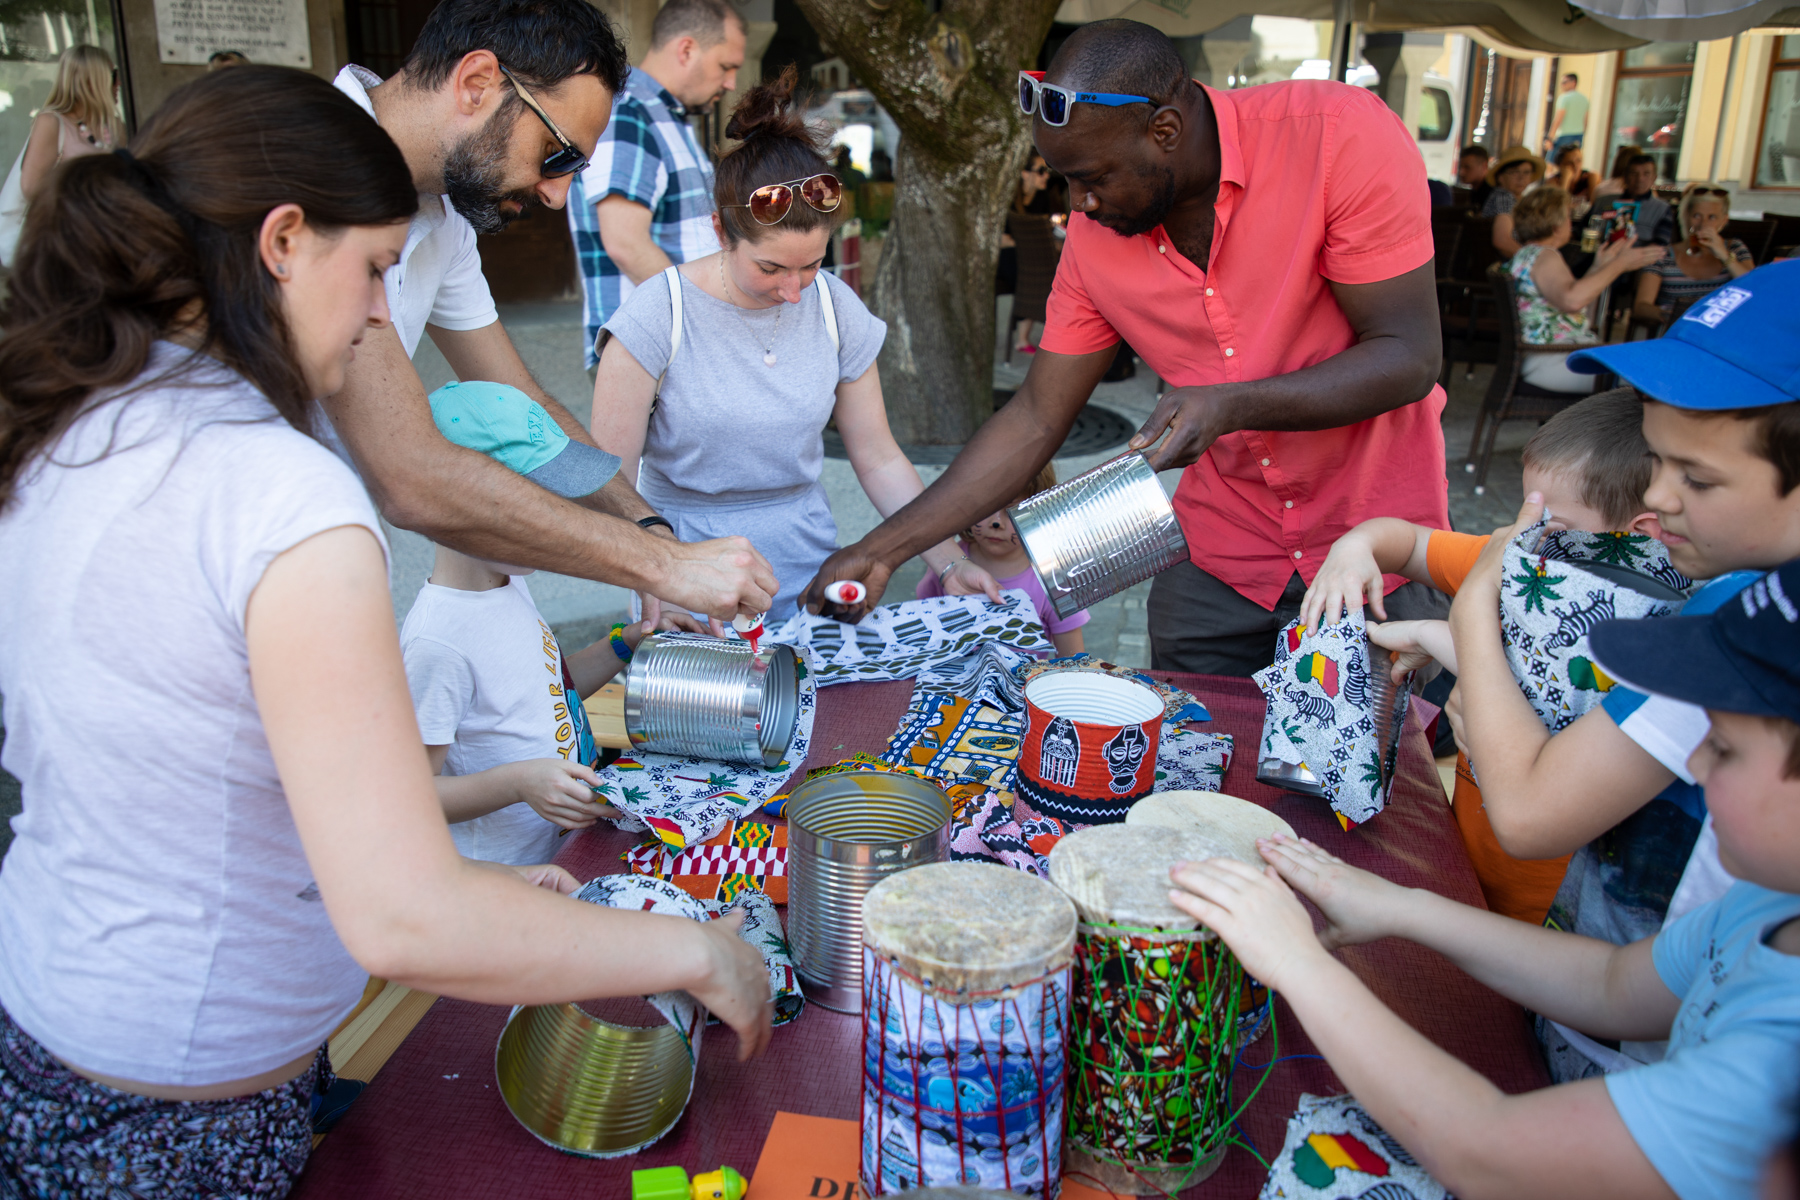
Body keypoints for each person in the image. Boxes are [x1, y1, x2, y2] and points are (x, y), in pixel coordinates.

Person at [0, 67, 771, 1196]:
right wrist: (699, 951)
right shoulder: (284, 496)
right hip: (178, 1106)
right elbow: (404, 917)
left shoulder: (72, 418)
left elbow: (216, 776)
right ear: (282, 243)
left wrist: (493, 895)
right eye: (372, 270)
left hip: (54, 1028)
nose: (378, 318)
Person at [803, 19, 1452, 678]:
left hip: (1375, 552)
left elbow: (1408, 355)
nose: (1078, 205)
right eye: (1063, 179)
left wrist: (1230, 405)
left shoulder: (1336, 135)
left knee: (1369, 745)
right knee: (1187, 736)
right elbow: (1035, 418)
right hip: (1223, 554)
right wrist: (881, 552)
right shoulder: (1093, 238)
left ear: (1164, 130)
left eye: (1092, 177)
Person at [1169, 556, 1800, 1200]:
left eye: (1724, 748)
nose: (1694, 765)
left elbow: (1484, 1149)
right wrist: (1400, 906)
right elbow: (1610, 983)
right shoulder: (1767, 907)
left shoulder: (1780, 1051)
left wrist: (1295, 961)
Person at [1446, 261, 1800, 1080]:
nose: (1659, 499)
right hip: (1618, 992)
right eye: (1658, 457)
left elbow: (1529, 813)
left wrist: (1472, 619)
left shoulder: (1736, 627)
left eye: (1696, 476)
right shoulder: (1719, 589)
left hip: (1650, 1059)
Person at [326, 0, 772, 631]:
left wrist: (650, 529)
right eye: (556, 154)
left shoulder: (443, 214)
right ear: (477, 83)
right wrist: (661, 566)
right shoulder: (321, 171)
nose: (558, 196)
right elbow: (410, 473)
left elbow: (523, 399)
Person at [590, 68, 1001, 622]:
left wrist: (949, 563)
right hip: (685, 569)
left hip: (809, 567)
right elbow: (610, 481)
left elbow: (879, 458)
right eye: (770, 268)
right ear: (720, 231)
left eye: (811, 265)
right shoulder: (657, 315)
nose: (792, 290)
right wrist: (654, 583)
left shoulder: (834, 307)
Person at [1299, 389, 1664, 924]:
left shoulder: (1651, 650)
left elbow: (1529, 704)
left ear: (1640, 538)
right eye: (1525, 510)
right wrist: (1353, 548)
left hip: (1549, 919)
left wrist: (1437, 634)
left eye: (1551, 525)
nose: (1525, 534)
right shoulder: (1523, 554)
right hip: (1464, 871)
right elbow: (1411, 543)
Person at [405, 381, 663, 866]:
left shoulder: (507, 581)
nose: (555, 521)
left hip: (565, 851)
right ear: (456, 502)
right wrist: (517, 783)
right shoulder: (436, 644)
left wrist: (625, 644)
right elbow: (410, 795)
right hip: (507, 878)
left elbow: (546, 693)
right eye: (536, 505)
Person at [568, 0, 745, 373]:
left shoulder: (663, 114)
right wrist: (705, 327)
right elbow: (625, 243)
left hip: (670, 346)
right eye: (725, 66)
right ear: (686, 50)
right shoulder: (629, 110)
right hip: (649, 351)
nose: (731, 82)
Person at [915, 464, 1089, 656]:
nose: (996, 522)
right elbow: (924, 631)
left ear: (1040, 510)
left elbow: (1071, 658)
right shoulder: (947, 562)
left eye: (1012, 510)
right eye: (988, 506)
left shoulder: (1054, 579)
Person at [1503, 186, 1662, 394]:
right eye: (1568, 218)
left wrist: (1599, 267)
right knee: (1652, 375)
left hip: (1545, 357)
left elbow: (1571, 297)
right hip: (1554, 361)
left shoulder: (1528, 255)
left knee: (1642, 364)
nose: (1571, 224)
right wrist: (1620, 264)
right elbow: (1572, 301)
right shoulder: (1545, 256)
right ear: (1556, 226)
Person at [1631, 182, 1753, 325]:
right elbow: (1641, 307)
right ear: (1686, 217)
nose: (1702, 224)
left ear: (1724, 220)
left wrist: (1724, 255)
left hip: (1721, 329)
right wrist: (1668, 314)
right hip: (1677, 329)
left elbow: (1754, 288)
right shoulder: (1662, 255)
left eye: (1712, 217)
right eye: (1696, 216)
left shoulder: (1735, 248)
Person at [18, 45, 120, 203]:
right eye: (113, 76)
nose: (119, 83)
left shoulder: (114, 125)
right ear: (89, 82)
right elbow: (31, 189)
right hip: (71, 218)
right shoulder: (51, 122)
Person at [997, 151, 1061, 351]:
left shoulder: (1043, 198)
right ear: (1024, 174)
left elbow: (1047, 231)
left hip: (1031, 259)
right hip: (1008, 261)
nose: (1046, 176)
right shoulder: (1007, 199)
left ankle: (1024, 338)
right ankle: (1027, 338)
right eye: (1041, 171)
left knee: (1046, 273)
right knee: (1039, 276)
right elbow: (1000, 240)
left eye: (1047, 170)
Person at [1592, 152, 1675, 247]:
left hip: (1642, 255)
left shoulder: (1662, 209)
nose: (1640, 179)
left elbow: (1660, 246)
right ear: (1625, 177)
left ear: (1654, 178)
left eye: (1646, 174)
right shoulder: (1603, 202)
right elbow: (1583, 230)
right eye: (1634, 173)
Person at [1482, 144, 1545, 257]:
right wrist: (1532, 261)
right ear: (1500, 177)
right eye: (1514, 172)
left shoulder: (1519, 199)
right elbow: (1502, 240)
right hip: (1507, 263)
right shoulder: (1504, 197)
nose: (1521, 178)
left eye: (1526, 172)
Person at [1547, 72, 1588, 164]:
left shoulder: (1564, 98)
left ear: (1573, 82)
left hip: (1564, 135)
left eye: (1564, 82)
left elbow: (1558, 119)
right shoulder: (1584, 99)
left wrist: (1550, 138)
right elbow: (1586, 121)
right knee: (1571, 164)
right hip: (1578, 136)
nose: (1562, 85)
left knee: (1551, 163)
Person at [1548, 143, 1598, 218]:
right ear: (1560, 165)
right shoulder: (1553, 181)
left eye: (1578, 161)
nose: (1575, 166)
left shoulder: (1590, 178)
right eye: (1569, 163)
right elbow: (1557, 211)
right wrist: (1565, 181)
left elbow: (1595, 208)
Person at [1454, 143, 1493, 208]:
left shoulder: (1492, 195)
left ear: (1484, 166)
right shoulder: (1475, 191)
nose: (1461, 172)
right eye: (1460, 167)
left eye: (1467, 167)